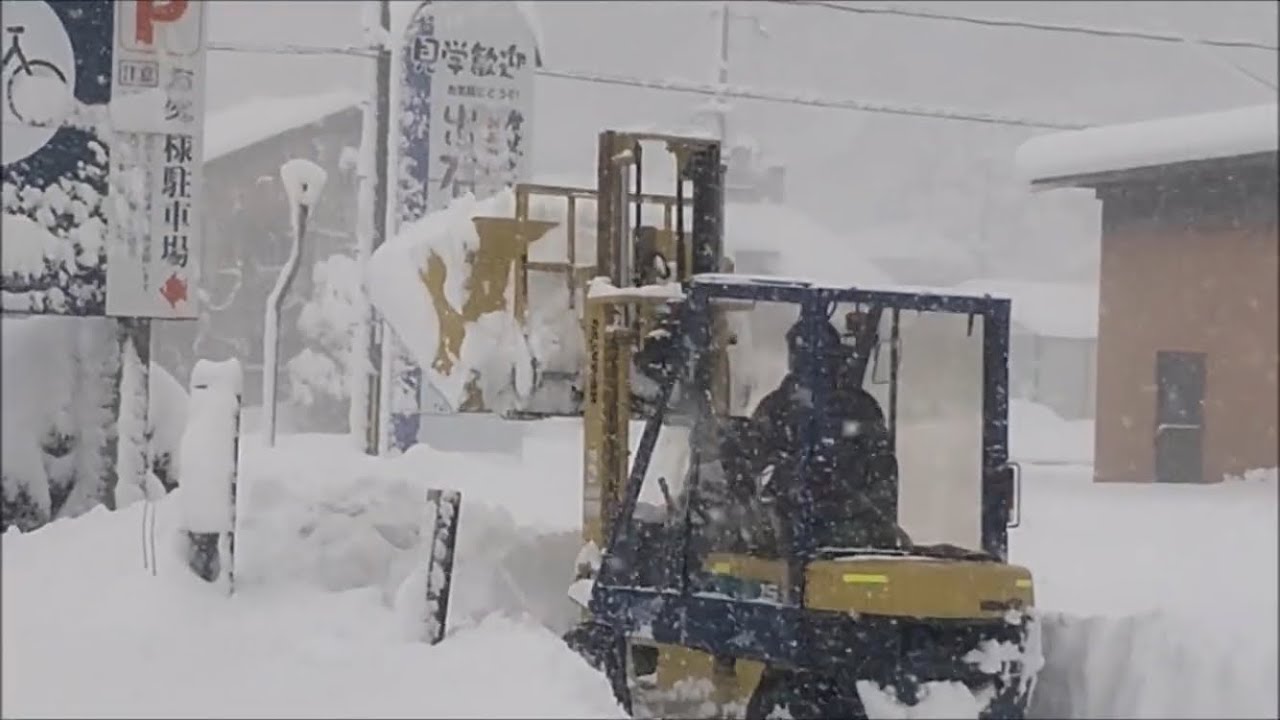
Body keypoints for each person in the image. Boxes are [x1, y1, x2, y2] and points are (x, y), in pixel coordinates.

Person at [743, 317, 905, 550]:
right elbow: (753, 463)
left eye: (823, 358)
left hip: (851, 537)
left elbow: (882, 477)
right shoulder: (776, 408)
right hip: (786, 537)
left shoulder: (860, 410)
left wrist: (844, 505)